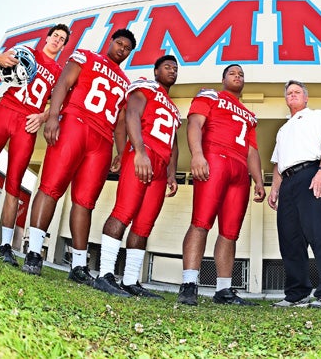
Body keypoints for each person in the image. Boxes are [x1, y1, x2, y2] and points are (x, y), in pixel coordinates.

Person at [21, 29, 136, 283]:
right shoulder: (86, 56)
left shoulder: (125, 82)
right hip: (76, 122)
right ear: (111, 42)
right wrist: (52, 117)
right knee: (51, 187)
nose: (122, 49)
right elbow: (63, 83)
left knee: (85, 202)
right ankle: (33, 252)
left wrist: (120, 149)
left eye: (128, 48)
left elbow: (119, 121)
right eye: (119, 43)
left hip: (102, 139)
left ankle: (79, 265)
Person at [0, 25, 69, 268]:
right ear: (48, 38)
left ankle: (6, 244)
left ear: (63, 46)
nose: (57, 41)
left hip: (27, 123)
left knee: (14, 183)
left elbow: (61, 104)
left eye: (62, 40)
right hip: (6, 111)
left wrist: (42, 117)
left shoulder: (61, 72)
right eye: (55, 36)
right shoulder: (27, 52)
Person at [92, 55, 181, 298]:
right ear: (155, 70)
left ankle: (130, 280)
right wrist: (139, 151)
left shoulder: (173, 108)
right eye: (167, 67)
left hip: (161, 167)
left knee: (144, 225)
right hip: (143, 155)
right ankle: (105, 274)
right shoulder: (146, 87)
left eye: (175, 68)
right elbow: (131, 115)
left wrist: (172, 174)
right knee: (123, 212)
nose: (172, 71)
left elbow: (173, 143)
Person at [177, 64, 265, 306]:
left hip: (239, 171)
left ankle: (223, 290)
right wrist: (197, 154)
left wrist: (258, 179)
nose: (237, 76)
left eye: (241, 74)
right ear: (223, 78)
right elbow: (195, 124)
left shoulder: (249, 115)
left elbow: (252, 149)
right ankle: (189, 284)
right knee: (201, 222)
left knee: (230, 232)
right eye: (232, 73)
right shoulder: (210, 95)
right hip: (215, 159)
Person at [267, 80, 321, 308]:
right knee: (290, 240)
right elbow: (278, 163)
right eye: (289, 93)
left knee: (319, 235)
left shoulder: (317, 115)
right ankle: (297, 293)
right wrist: (275, 189)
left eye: (297, 92)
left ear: (306, 97)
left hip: (311, 174)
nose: (293, 95)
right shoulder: (282, 129)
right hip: (287, 183)